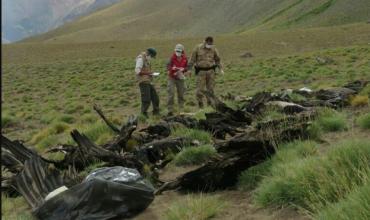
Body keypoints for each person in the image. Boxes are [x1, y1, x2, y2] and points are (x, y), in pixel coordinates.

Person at [188, 36, 224, 108]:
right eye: (208, 43)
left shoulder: (213, 49)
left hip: (211, 72)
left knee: (210, 89)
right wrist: (189, 69)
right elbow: (192, 59)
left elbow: (217, 60)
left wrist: (220, 69)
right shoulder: (198, 48)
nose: (209, 45)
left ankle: (210, 105)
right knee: (200, 90)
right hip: (201, 72)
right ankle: (200, 104)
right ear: (205, 42)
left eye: (211, 43)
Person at [135, 47, 160, 117]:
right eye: (152, 56)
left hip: (149, 81)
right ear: (149, 54)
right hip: (143, 82)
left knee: (155, 98)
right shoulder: (140, 59)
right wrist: (148, 73)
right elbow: (137, 71)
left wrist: (151, 74)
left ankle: (156, 113)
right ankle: (143, 115)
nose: (152, 58)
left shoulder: (147, 60)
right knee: (146, 100)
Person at [166, 44, 189, 116]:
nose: (178, 52)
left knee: (181, 93)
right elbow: (168, 66)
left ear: (182, 51)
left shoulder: (185, 58)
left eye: (179, 51)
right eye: (176, 51)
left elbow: (187, 67)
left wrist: (184, 69)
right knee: (171, 93)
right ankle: (170, 110)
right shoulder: (172, 58)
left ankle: (181, 108)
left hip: (180, 77)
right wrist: (171, 69)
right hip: (172, 77)